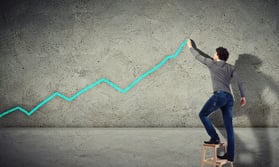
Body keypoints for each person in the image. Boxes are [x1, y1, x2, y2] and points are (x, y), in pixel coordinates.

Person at [186, 39, 246, 162]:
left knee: (202, 114)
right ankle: (230, 156)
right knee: (229, 128)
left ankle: (214, 138)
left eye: (214, 53)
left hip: (219, 96)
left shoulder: (212, 63)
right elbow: (240, 82)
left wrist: (190, 47)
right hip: (229, 98)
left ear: (218, 55)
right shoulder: (231, 67)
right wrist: (243, 96)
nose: (213, 55)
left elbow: (198, 56)